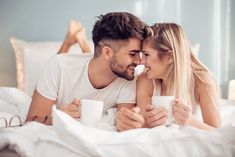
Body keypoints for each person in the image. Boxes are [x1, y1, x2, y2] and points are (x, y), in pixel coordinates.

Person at [26, 12, 146, 129]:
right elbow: (31, 120)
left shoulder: (129, 76)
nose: (139, 61)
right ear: (107, 52)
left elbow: (124, 121)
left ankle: (80, 41)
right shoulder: (60, 65)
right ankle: (71, 41)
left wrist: (127, 123)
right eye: (132, 54)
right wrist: (58, 118)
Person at [135, 23, 221, 130]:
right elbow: (142, 126)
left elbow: (217, 134)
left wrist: (190, 121)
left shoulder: (203, 81)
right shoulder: (145, 78)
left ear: (170, 56)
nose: (141, 62)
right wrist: (147, 123)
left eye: (146, 55)